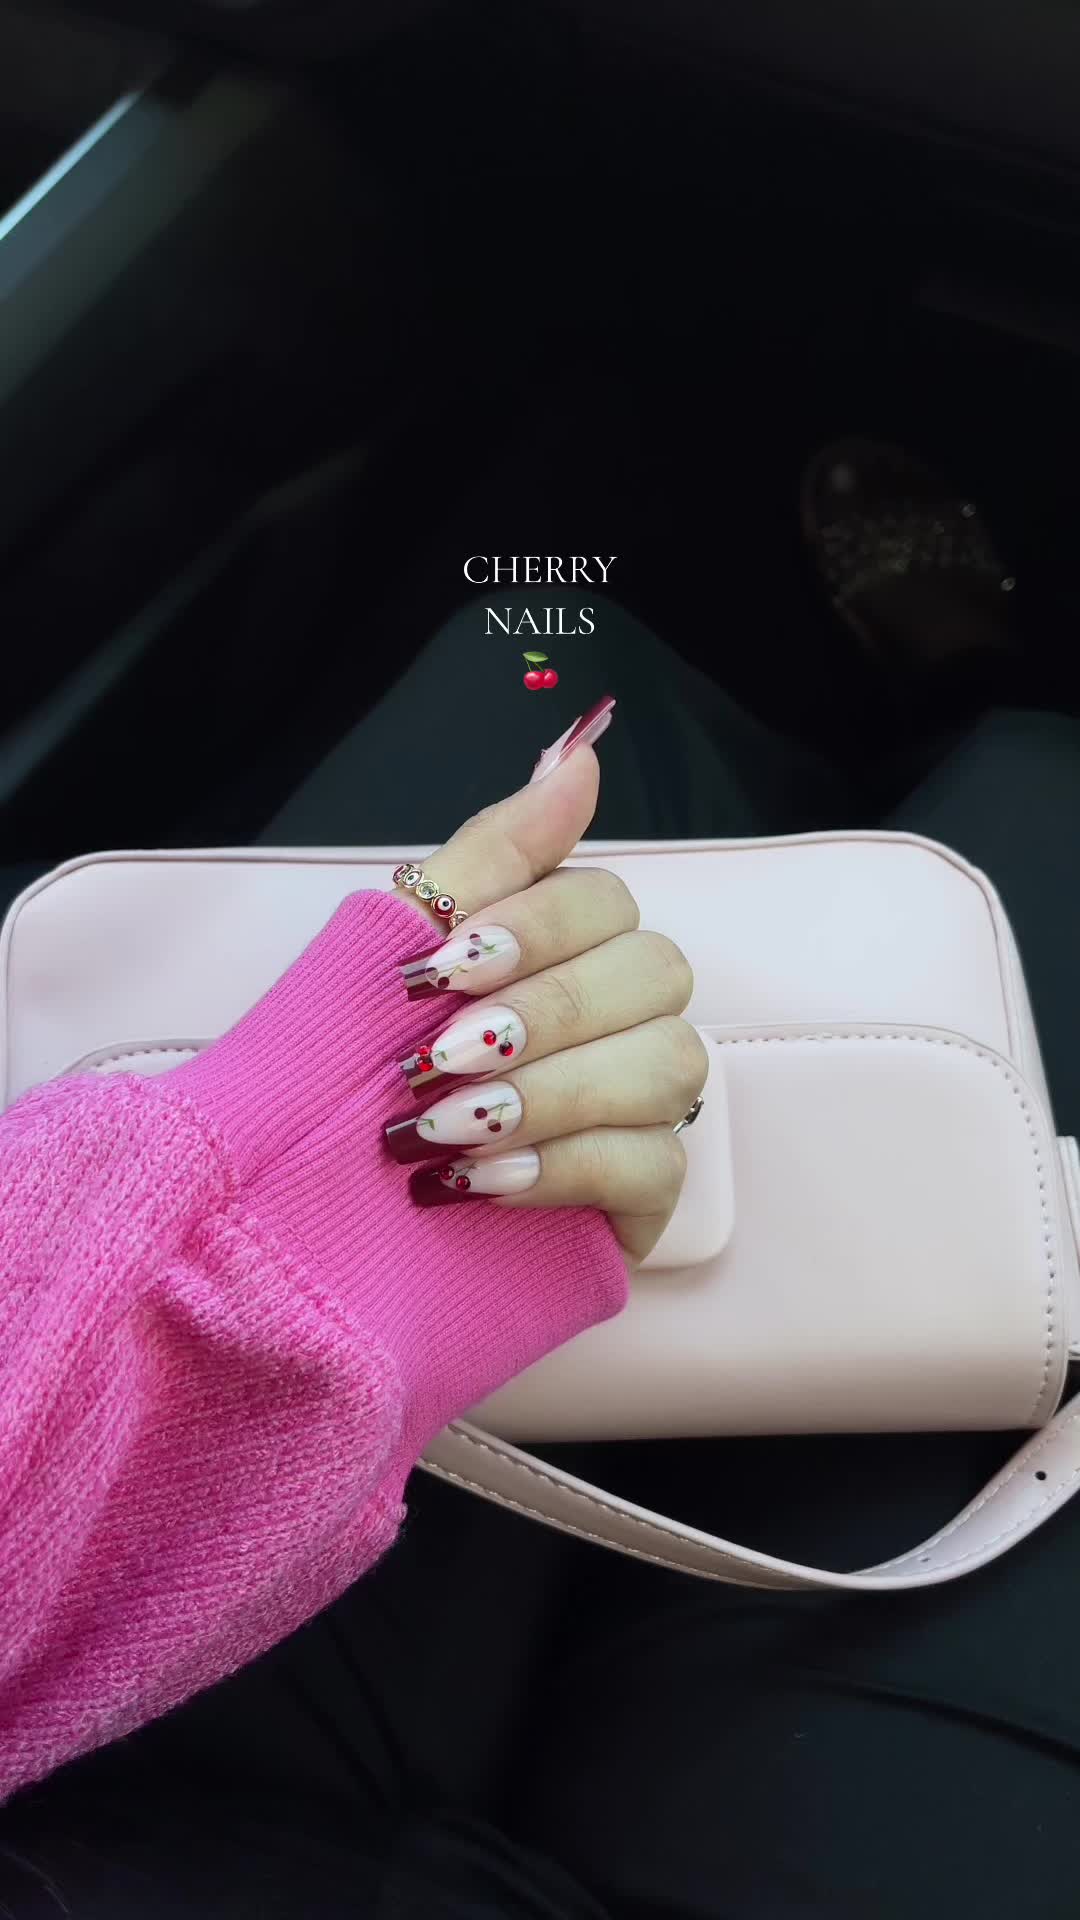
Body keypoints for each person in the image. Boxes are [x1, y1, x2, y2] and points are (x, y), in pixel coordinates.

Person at [1, 448, 1079, 1916]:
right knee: (1035, 807)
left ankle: (912, 741)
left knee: (529, 692)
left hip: (90, 1722)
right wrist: (257, 1276)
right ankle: (973, 699)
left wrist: (246, 1282)